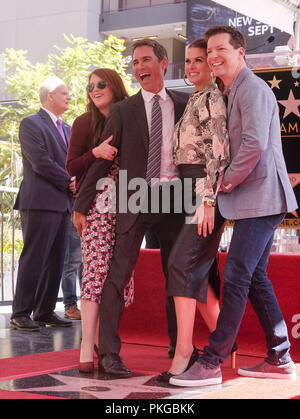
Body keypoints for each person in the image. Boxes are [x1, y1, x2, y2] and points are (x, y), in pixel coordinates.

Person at [170, 25, 298, 387]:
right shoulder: (233, 90)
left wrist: (220, 184)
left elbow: (254, 146)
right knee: (254, 277)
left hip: (261, 198)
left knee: (237, 276)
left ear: (240, 52)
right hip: (253, 199)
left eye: (220, 49)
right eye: (209, 50)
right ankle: (280, 355)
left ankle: (212, 359)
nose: (213, 56)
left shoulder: (252, 89)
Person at [73, 38, 189, 377]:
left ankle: (178, 345)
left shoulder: (185, 104)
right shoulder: (124, 111)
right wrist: (81, 205)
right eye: (135, 62)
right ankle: (109, 354)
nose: (140, 67)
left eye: (146, 60)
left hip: (173, 196)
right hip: (134, 196)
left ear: (163, 63)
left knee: (177, 275)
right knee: (117, 275)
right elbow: (101, 161)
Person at [157, 38, 230, 383]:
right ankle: (222, 343)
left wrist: (208, 200)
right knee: (194, 272)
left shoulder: (213, 96)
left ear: (212, 63)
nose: (191, 66)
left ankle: (186, 351)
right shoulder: (194, 99)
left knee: (181, 264)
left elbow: (218, 153)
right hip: (187, 191)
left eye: (198, 60)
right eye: (187, 61)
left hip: (203, 190)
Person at [66, 68, 133, 372]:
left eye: (101, 83)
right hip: (95, 205)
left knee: (119, 276)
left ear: (115, 84)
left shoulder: (133, 115)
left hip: (131, 204)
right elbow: (72, 165)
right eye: (90, 85)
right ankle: (86, 346)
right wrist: (96, 152)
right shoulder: (83, 122)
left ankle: (102, 342)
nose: (94, 89)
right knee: (95, 270)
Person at [11, 76, 74, 331]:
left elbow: (73, 160)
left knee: (57, 260)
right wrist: (70, 181)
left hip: (63, 203)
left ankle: (45, 311)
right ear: (50, 95)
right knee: (34, 258)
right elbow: (41, 161)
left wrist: (75, 181)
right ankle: (20, 313)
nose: (69, 97)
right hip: (39, 202)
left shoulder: (68, 128)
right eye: (65, 93)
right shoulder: (30, 124)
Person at [61, 220, 82, 320]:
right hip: (76, 214)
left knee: (85, 266)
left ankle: (87, 305)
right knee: (71, 264)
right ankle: (70, 307)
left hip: (88, 216)